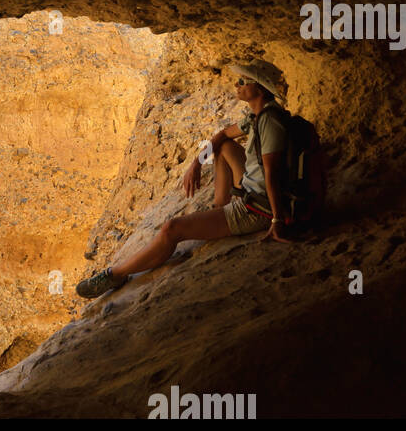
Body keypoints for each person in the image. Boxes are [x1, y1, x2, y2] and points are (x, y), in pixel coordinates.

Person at [75, 59, 293, 299]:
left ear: (259, 90)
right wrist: (196, 164)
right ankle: (219, 210)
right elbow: (221, 136)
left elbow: (272, 172)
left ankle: (115, 275)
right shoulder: (256, 117)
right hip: (255, 189)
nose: (236, 84)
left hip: (258, 208)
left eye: (243, 82)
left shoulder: (270, 122)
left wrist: (276, 220)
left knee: (172, 228)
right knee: (225, 147)